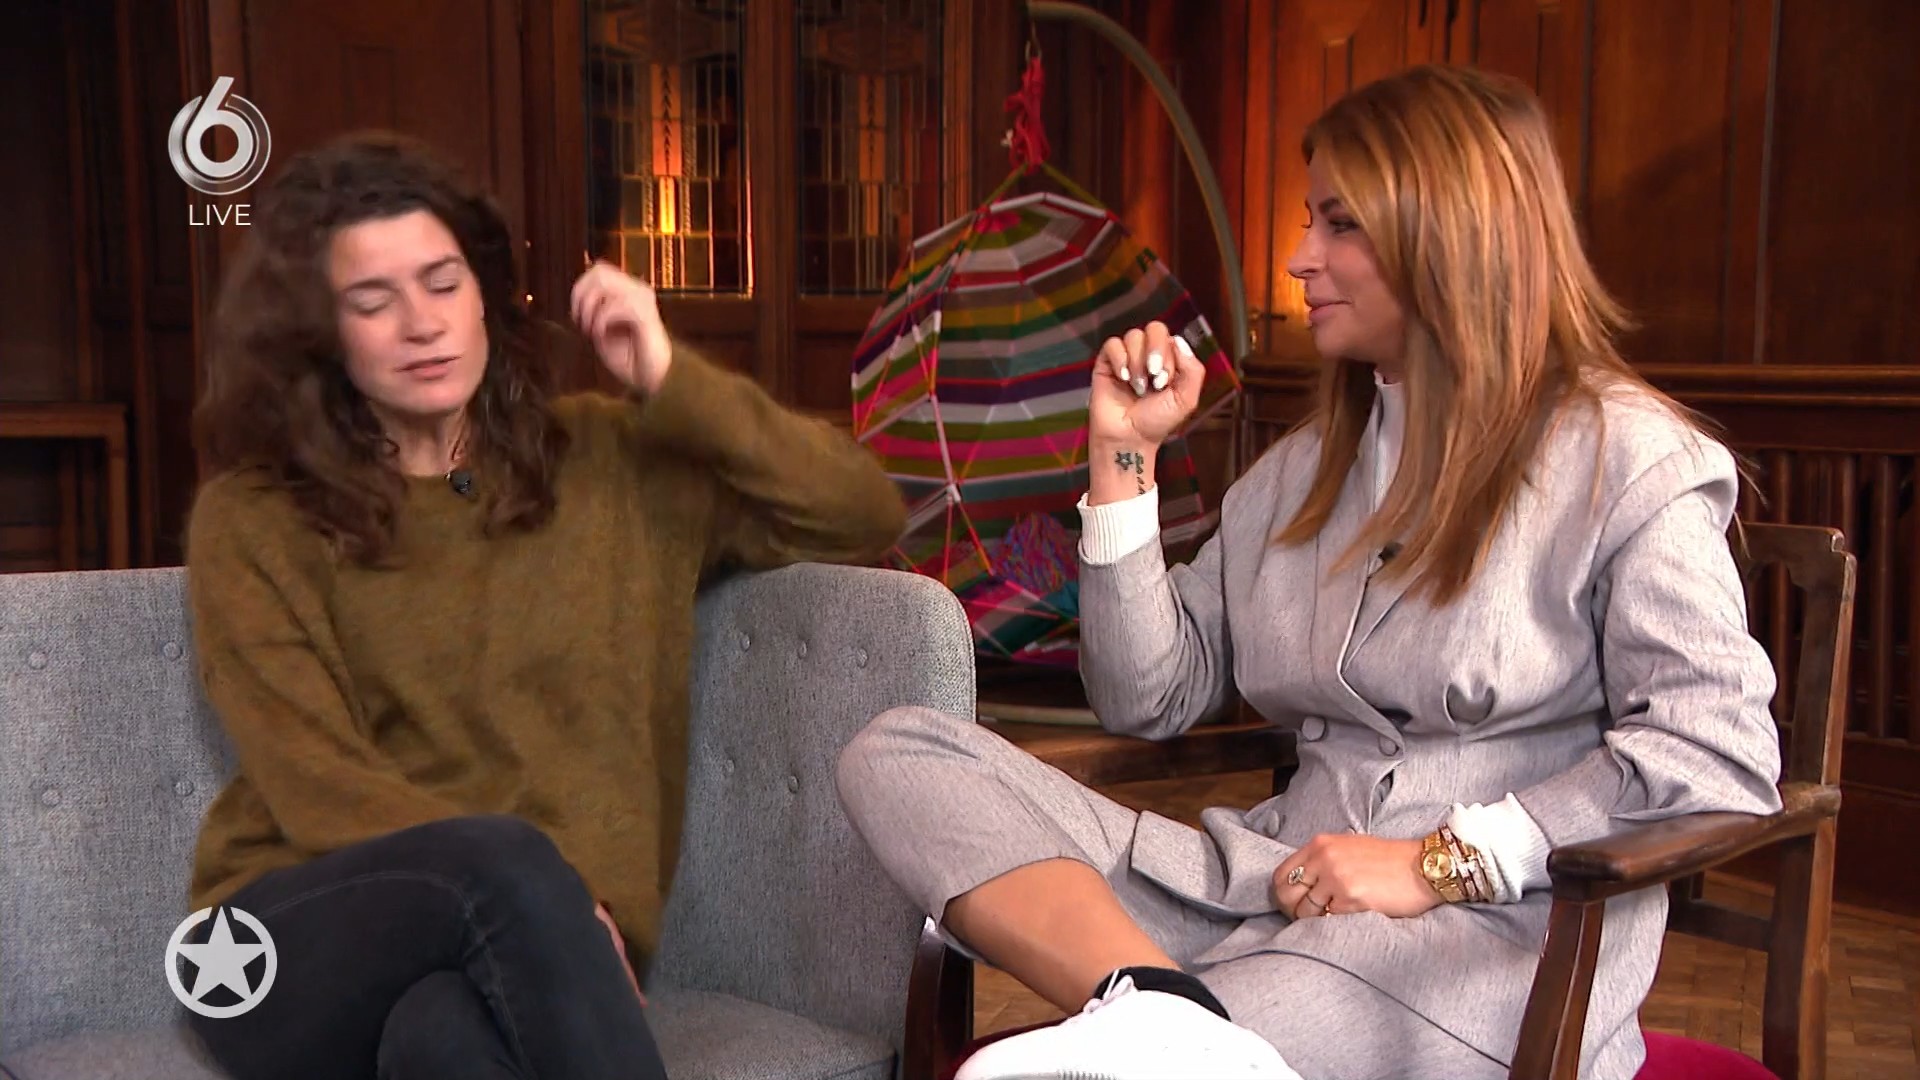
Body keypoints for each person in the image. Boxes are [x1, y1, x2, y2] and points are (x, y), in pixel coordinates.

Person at [835, 63, 1783, 1080]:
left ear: (1450, 234)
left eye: (1340, 224)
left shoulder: (1629, 459)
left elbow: (1719, 750)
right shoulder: (1297, 475)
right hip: (1263, 890)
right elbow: (1147, 694)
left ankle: (1173, 1032)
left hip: (1477, 956)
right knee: (900, 752)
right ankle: (1166, 1012)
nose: (1298, 259)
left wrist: (1439, 864)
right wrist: (1123, 455)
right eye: (1308, 222)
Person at [177, 130, 906, 1080]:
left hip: (518, 955)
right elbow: (319, 780)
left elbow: (860, 511)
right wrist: (543, 896)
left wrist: (668, 376)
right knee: (506, 869)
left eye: (443, 283)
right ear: (318, 332)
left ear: (485, 291)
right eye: (373, 301)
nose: (422, 323)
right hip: (276, 946)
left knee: (444, 1040)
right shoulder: (256, 517)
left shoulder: (609, 464)